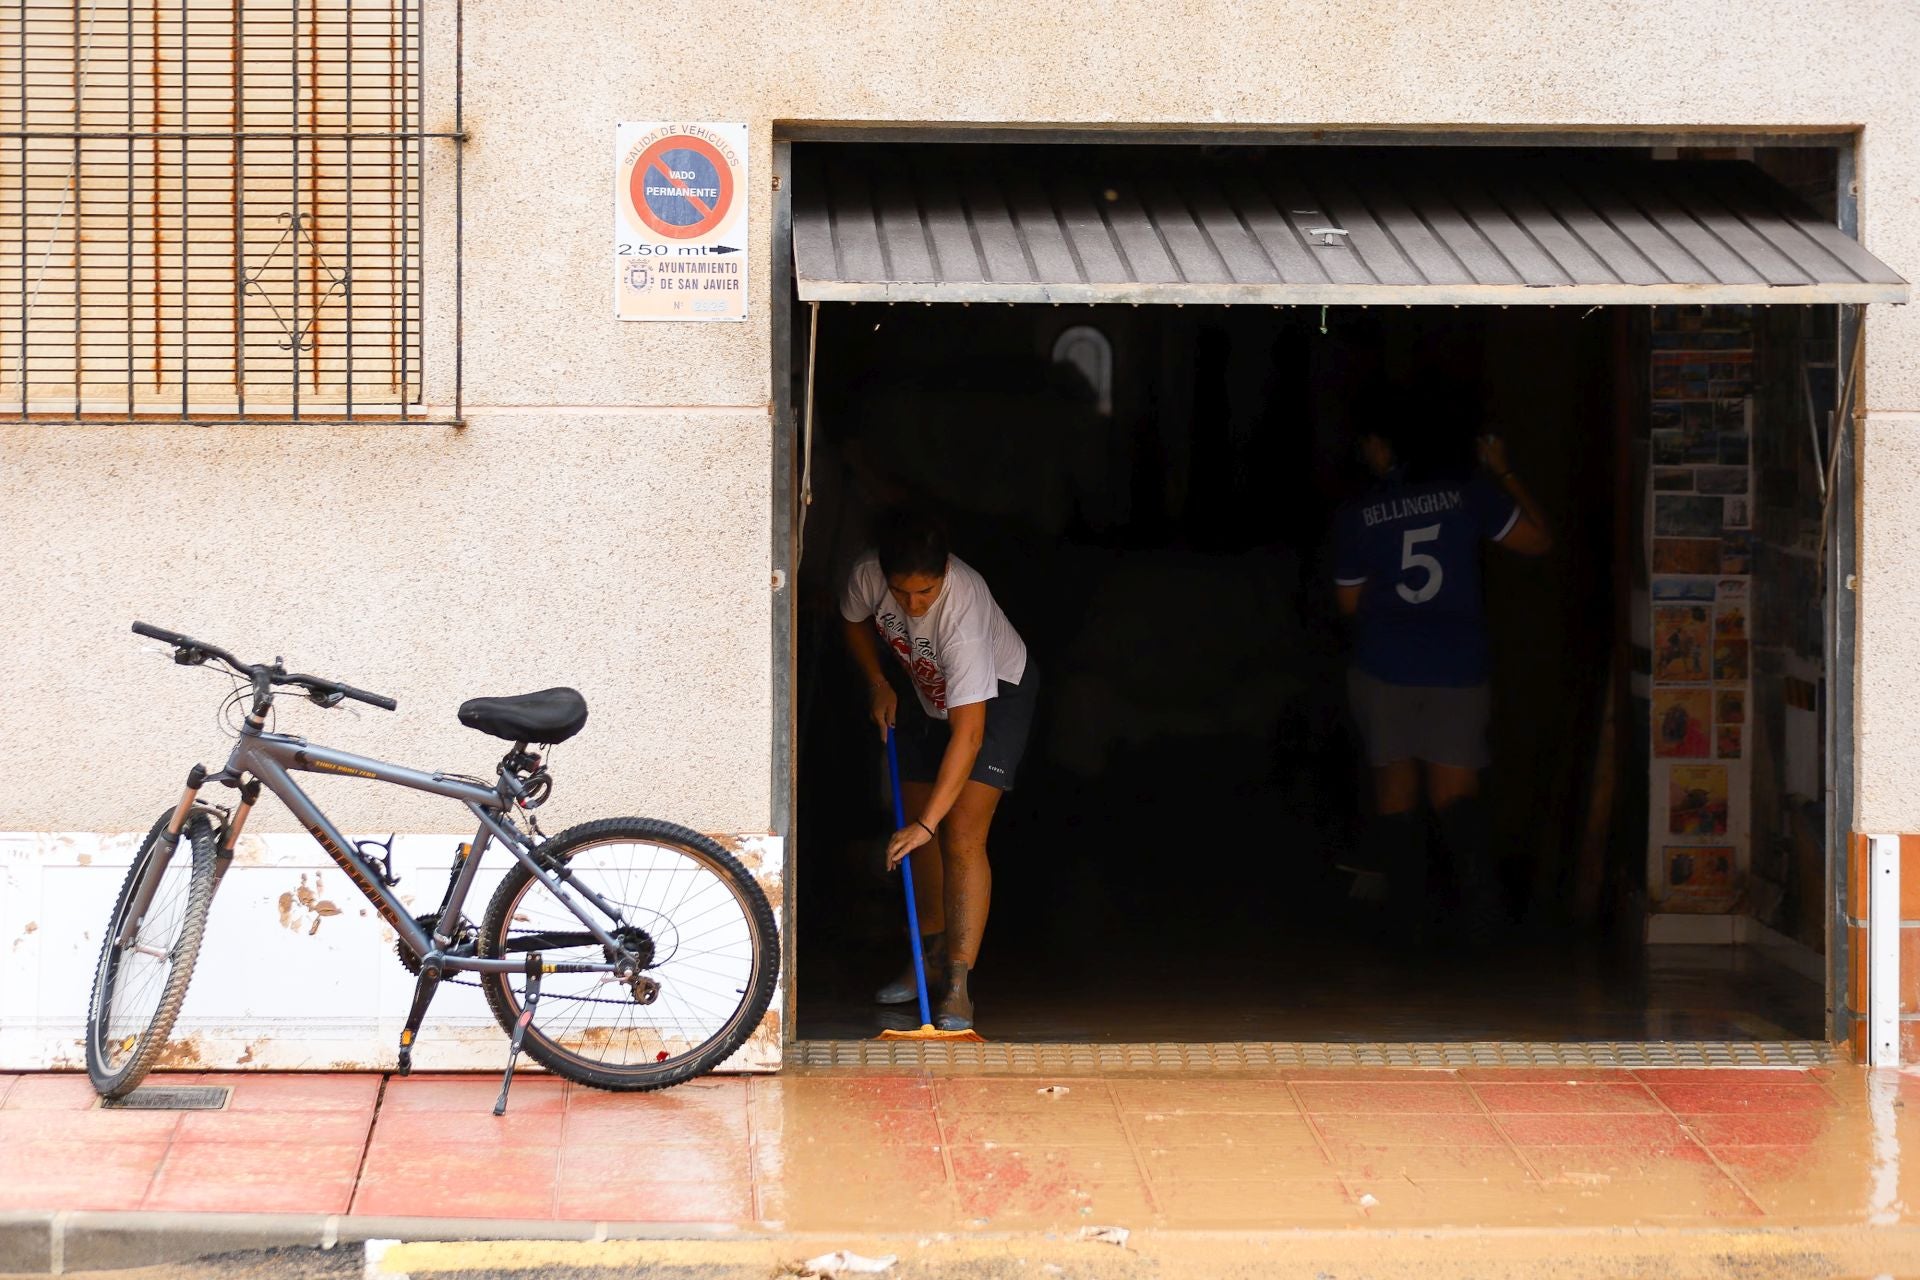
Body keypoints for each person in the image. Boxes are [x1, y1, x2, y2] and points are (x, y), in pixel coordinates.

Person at [1331, 419, 1552, 939]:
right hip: (1457, 667)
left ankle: (1407, 927)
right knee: (1455, 797)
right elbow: (1539, 540)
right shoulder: (1468, 495)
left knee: (1396, 794)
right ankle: (1483, 921)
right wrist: (1507, 473)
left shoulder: (1358, 514)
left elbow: (1347, 603)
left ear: (1383, 446)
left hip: (1387, 666)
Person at [840, 509, 1038, 1031]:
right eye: (902, 594)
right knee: (917, 834)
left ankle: (957, 982)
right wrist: (877, 682)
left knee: (958, 833)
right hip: (926, 693)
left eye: (925, 592)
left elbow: (969, 734)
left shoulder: (962, 613)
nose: (912, 605)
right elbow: (853, 618)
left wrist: (930, 820)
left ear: (945, 572)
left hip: (995, 701)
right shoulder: (867, 575)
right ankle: (925, 958)